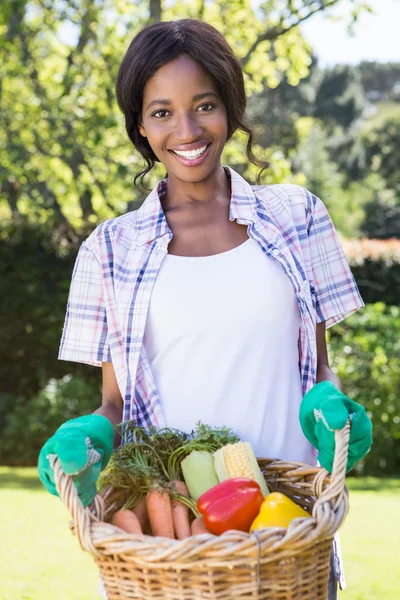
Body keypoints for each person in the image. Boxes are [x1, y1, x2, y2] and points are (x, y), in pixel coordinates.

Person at [38, 19, 372, 599]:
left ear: (231, 109)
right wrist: (88, 440)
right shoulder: (107, 250)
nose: (187, 129)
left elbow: (318, 366)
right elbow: (114, 403)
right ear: (140, 126)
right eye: (162, 111)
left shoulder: (298, 217)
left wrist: (330, 404)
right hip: (172, 542)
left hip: (286, 526)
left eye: (205, 105)